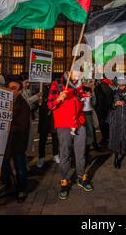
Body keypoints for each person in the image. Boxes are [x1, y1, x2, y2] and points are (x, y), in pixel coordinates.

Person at [47, 71, 93, 200]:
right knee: (65, 153)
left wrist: (88, 94)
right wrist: (58, 99)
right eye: (77, 71)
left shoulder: (80, 85)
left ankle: (81, 177)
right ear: (69, 72)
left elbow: (86, 98)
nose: (79, 73)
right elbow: (50, 104)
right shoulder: (58, 84)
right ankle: (64, 180)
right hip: (63, 123)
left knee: (81, 153)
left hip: (79, 122)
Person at [0, 81, 31, 203]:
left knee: (19, 165)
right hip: (4, 140)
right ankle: (6, 183)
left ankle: (22, 188)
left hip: (17, 141)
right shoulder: (3, 102)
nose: (9, 89)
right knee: (4, 164)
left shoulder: (23, 105)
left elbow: (21, 125)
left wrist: (5, 125)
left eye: (13, 88)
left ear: (19, 91)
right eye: (8, 87)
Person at [108, 78, 126, 169]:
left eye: (123, 85)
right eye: (120, 85)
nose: (121, 86)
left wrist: (124, 103)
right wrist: (115, 104)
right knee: (116, 138)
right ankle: (116, 158)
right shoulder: (114, 93)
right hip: (116, 120)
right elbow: (110, 105)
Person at [37, 83, 60, 169]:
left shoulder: (56, 87)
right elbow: (35, 104)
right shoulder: (40, 88)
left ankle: (56, 154)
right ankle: (41, 157)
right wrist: (38, 102)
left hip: (54, 117)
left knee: (55, 137)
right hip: (44, 118)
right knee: (43, 138)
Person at [94, 78, 115, 147]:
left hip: (101, 109)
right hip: (107, 109)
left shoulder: (99, 87)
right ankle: (108, 139)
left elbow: (98, 100)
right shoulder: (109, 86)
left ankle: (106, 140)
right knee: (107, 125)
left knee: (103, 126)